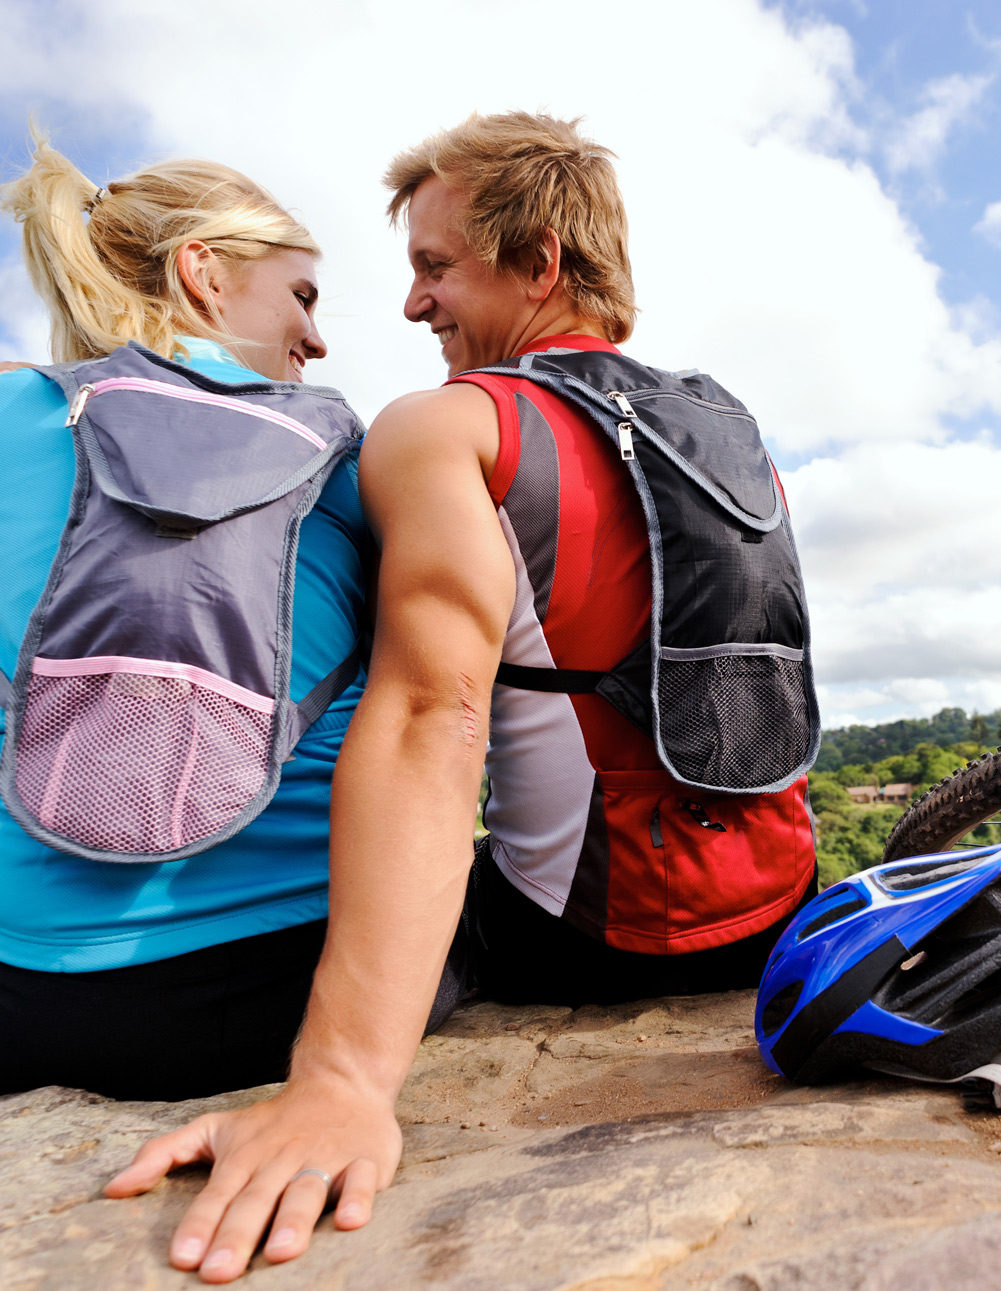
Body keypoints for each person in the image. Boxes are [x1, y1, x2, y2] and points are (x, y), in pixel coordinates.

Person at [106, 112, 817, 1284]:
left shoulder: (451, 427)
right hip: (769, 909)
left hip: (588, 939)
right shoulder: (727, 425)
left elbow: (433, 718)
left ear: (537, 262)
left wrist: (339, 1085)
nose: (410, 306)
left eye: (434, 268)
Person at [0, 141, 453, 1131]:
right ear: (203, 272)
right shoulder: (353, 457)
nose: (317, 339)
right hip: (271, 1000)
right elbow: (433, 720)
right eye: (302, 296)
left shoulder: (10, 413)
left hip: (23, 1004)